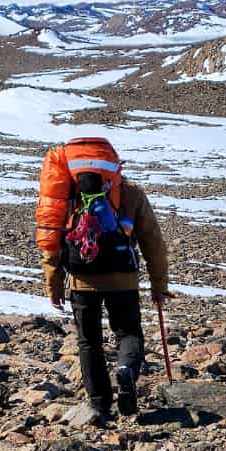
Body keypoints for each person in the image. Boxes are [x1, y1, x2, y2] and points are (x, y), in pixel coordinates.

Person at [35, 137, 169, 418]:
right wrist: (159, 285)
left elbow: (51, 242)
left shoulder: (67, 194)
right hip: (123, 280)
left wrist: (54, 284)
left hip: (82, 281)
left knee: (89, 341)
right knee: (129, 333)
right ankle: (125, 370)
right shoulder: (130, 192)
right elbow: (152, 241)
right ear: (114, 165)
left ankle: (99, 403)